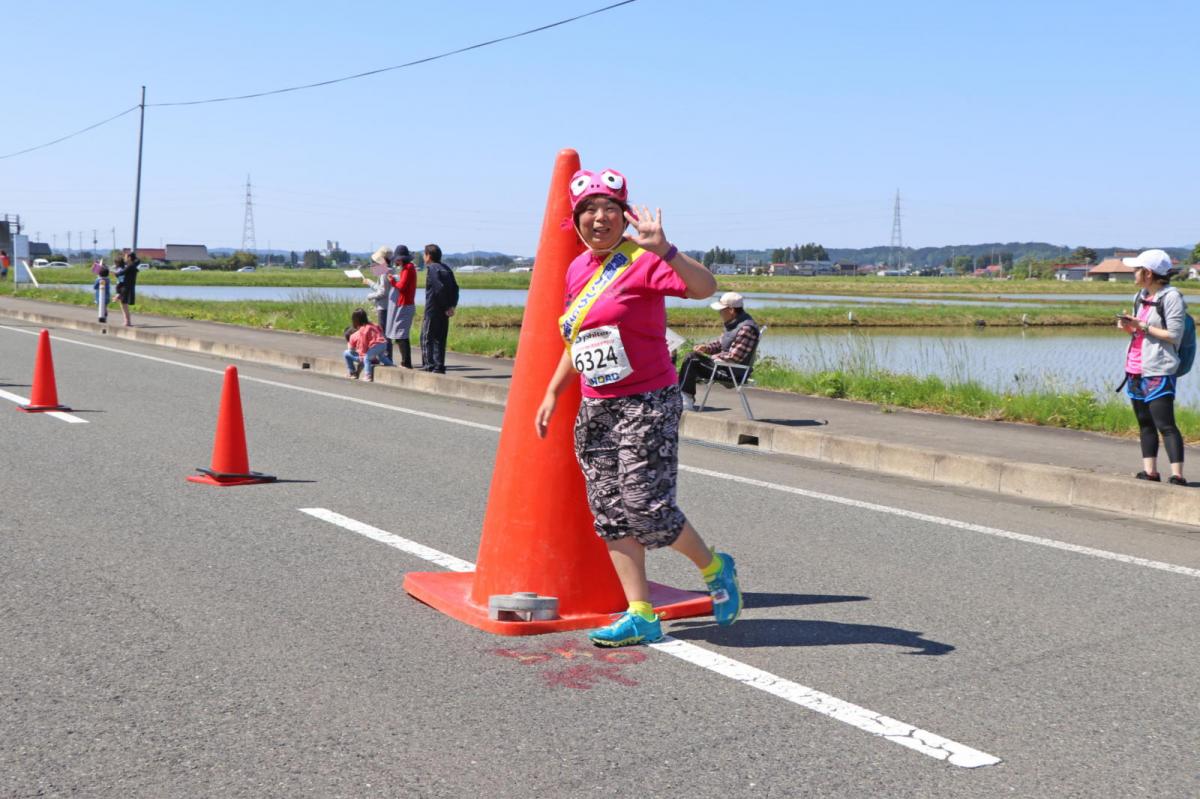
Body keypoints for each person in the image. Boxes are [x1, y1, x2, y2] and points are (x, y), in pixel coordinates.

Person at [534, 167, 743, 648]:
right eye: (588, 210)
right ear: (577, 220)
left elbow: (705, 288)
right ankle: (641, 613)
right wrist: (552, 392)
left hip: (647, 400)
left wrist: (665, 249)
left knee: (646, 507)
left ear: (625, 215)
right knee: (609, 509)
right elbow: (579, 340)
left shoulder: (642, 260)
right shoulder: (577, 270)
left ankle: (715, 567)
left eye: (609, 208)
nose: (599, 218)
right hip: (597, 404)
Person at [1117, 249, 1187, 485]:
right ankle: (1151, 471)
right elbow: (1138, 330)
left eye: (1136, 270)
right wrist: (1129, 326)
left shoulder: (1171, 297)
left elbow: (1174, 335)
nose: (1133, 274)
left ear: (1148, 273)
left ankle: (1177, 475)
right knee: (1145, 423)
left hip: (1159, 368)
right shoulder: (1140, 295)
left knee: (1165, 424)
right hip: (1136, 368)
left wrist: (1142, 326)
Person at [677, 291, 760, 410]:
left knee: (692, 359)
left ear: (731, 310)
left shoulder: (746, 328)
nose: (719, 313)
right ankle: (684, 397)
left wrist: (714, 357)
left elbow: (735, 357)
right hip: (724, 367)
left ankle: (686, 399)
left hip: (732, 374)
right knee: (692, 357)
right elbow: (720, 344)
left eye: (721, 310)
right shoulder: (734, 324)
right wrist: (706, 348)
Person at [420, 244, 458, 373]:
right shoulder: (447, 268)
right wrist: (451, 306)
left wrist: (447, 305)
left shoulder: (432, 268)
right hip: (445, 311)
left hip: (433, 309)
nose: (423, 257)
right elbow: (455, 289)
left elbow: (439, 288)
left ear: (428, 256)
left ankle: (429, 365)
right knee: (440, 340)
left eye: (424, 254)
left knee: (426, 338)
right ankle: (439, 366)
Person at [385, 245, 418, 368]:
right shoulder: (408, 267)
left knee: (401, 335)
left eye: (397, 259)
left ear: (402, 259)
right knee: (400, 334)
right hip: (405, 304)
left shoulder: (408, 268)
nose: (396, 261)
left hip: (405, 304)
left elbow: (401, 287)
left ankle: (406, 363)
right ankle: (405, 362)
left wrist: (392, 281)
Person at [344, 307, 394, 381]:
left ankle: (367, 375)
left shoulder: (363, 329)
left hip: (376, 345)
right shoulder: (373, 324)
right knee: (382, 357)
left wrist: (362, 355)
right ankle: (391, 365)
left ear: (356, 320)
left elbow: (363, 343)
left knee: (366, 358)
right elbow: (380, 330)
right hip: (383, 343)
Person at [363, 246, 394, 361]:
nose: (374, 263)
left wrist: (369, 296)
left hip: (384, 307)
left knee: (384, 333)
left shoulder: (385, 272)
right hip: (388, 305)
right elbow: (382, 288)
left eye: (376, 261)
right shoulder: (389, 270)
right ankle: (386, 356)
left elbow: (383, 292)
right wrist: (370, 283)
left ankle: (386, 357)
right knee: (385, 332)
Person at [114, 250, 139, 326]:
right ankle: (127, 321)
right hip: (125, 287)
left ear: (129, 258)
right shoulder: (131, 265)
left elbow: (120, 274)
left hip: (126, 288)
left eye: (125, 256)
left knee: (124, 305)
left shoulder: (130, 266)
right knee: (123, 305)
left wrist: (113, 273)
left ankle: (127, 321)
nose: (124, 258)